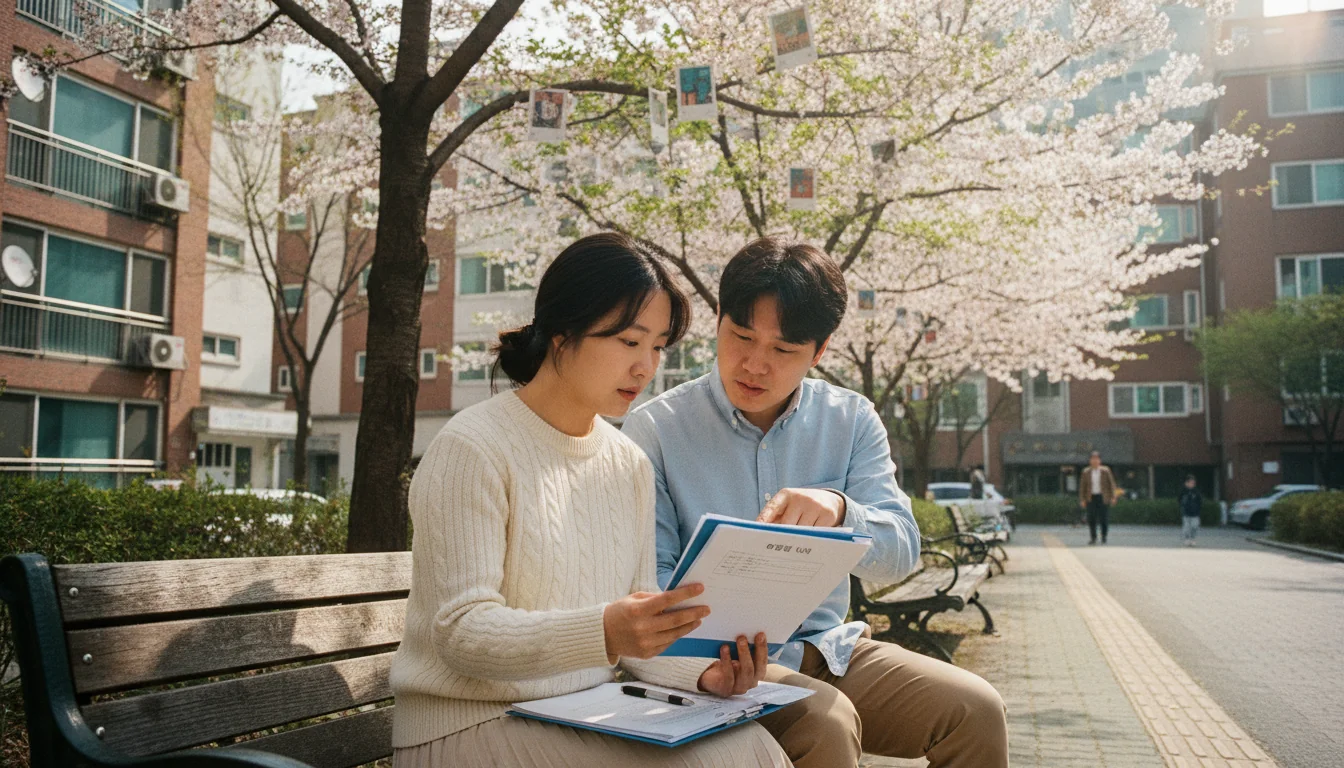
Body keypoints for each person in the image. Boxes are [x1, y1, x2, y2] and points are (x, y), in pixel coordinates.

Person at [390, 233, 788, 768]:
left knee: (754, 751)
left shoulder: (628, 464)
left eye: (658, 346)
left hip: (582, 713)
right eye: (629, 341)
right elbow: (459, 632)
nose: (646, 366)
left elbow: (637, 633)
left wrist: (703, 674)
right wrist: (602, 629)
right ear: (563, 332)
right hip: (464, 727)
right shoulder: (473, 448)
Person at [623, 237, 1009, 768]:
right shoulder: (658, 429)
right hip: (720, 663)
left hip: (831, 650)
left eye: (783, 351)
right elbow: (652, 579)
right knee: (827, 721)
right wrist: (698, 662)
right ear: (718, 319)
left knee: (977, 710)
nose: (755, 364)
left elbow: (902, 551)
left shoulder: (849, 420)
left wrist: (841, 510)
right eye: (741, 336)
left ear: (819, 350)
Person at [1077, 450, 1117, 545]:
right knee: (1091, 518)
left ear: (1100, 460)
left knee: (1104, 518)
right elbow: (1082, 487)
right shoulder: (1086, 472)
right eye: (1093, 459)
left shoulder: (1105, 471)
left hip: (1103, 497)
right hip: (1091, 498)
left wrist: (1113, 497)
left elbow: (1111, 484)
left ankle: (1104, 536)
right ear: (1090, 460)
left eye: (1096, 459)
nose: (1095, 461)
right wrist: (1082, 499)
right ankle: (1093, 538)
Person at [1179, 474, 1202, 547]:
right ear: (1187, 483)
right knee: (1186, 527)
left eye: (1193, 483)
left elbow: (1200, 501)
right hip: (1186, 513)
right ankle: (1187, 539)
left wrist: (1198, 509)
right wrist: (1183, 506)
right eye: (1191, 482)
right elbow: (1179, 499)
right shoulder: (1183, 491)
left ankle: (1193, 539)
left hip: (1195, 513)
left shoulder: (1196, 492)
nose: (1192, 484)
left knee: (1194, 526)